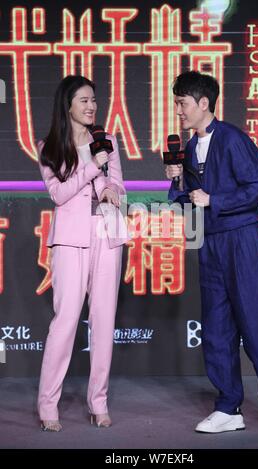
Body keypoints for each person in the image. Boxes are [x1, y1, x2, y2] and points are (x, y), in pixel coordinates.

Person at [165, 71, 258, 434]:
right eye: (177, 103)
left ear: (203, 103)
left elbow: (257, 188)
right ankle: (228, 406)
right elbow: (187, 200)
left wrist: (215, 199)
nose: (178, 110)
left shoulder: (234, 139)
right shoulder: (190, 147)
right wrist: (176, 179)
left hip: (241, 240)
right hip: (209, 242)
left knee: (254, 323)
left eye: (182, 103)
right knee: (216, 328)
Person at [37, 75, 128, 431]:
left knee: (104, 321)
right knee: (66, 321)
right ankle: (48, 406)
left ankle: (99, 402)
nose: (92, 106)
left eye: (94, 99)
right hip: (70, 239)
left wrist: (110, 190)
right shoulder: (49, 147)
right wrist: (92, 165)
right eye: (84, 100)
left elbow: (119, 184)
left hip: (107, 233)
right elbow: (59, 194)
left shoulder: (107, 141)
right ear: (68, 105)